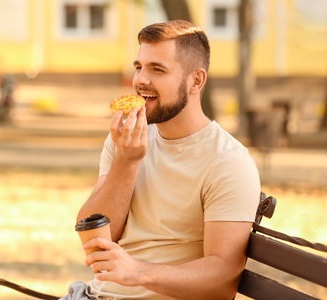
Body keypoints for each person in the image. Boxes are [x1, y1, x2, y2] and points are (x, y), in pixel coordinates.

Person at [70, 20, 261, 300]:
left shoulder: (227, 161)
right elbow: (96, 238)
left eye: (157, 69)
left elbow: (222, 279)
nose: (140, 80)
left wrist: (138, 272)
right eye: (139, 67)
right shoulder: (125, 140)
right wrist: (127, 161)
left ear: (196, 80)